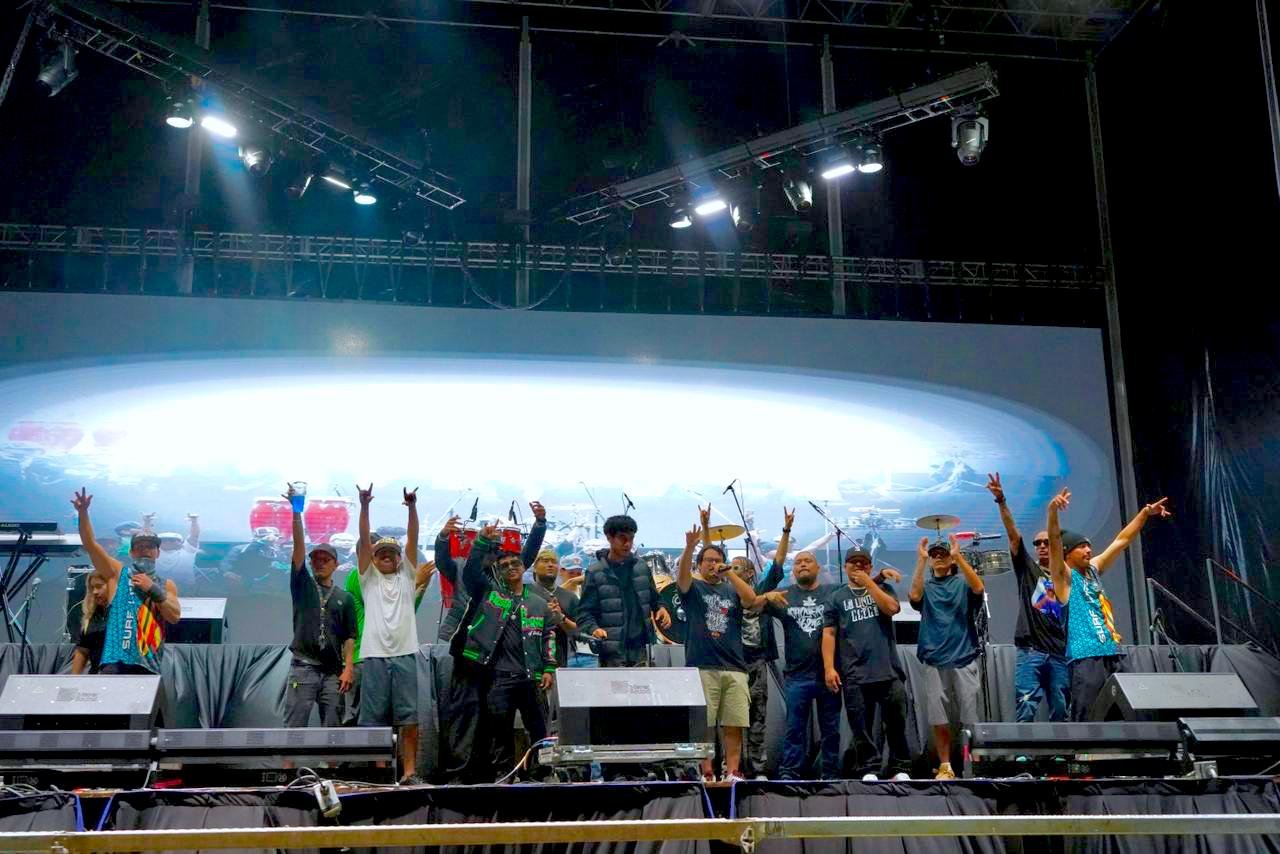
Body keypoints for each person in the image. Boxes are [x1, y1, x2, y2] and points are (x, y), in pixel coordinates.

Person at [446, 521, 557, 783]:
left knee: (539, 730)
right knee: (499, 731)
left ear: (523, 567)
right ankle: (504, 776)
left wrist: (549, 668)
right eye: (504, 565)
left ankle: (541, 775)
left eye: (515, 563)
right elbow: (471, 572)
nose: (510, 567)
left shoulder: (539, 603)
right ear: (498, 570)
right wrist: (481, 542)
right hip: (499, 677)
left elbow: (549, 636)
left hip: (532, 677)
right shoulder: (490, 593)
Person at [1047, 488, 1171, 721]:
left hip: (1113, 651)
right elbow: (1054, 543)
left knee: (1132, 712)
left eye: (1089, 546)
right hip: (1086, 657)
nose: (1088, 550)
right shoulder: (1064, 579)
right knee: (1088, 718)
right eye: (1081, 547)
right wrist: (1052, 511)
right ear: (1067, 554)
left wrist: (1145, 513)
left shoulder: (1093, 570)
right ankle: (1085, 746)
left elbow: (1122, 540)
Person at [355, 484, 434, 784]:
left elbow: (413, 537)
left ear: (400, 558)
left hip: (404, 654)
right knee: (374, 722)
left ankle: (409, 773)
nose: (386, 556)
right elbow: (364, 539)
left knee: (409, 719)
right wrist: (365, 506)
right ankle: (379, 774)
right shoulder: (368, 579)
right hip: (374, 656)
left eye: (392, 553)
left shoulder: (407, 576)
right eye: (381, 553)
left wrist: (412, 507)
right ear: (373, 559)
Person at [707, 505, 793, 780]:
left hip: (757, 660)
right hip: (733, 662)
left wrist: (786, 530)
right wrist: (706, 530)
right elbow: (709, 562)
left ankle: (757, 769)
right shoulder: (724, 593)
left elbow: (778, 563)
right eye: (730, 567)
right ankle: (728, 768)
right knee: (728, 720)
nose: (731, 571)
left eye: (737, 568)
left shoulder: (760, 590)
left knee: (757, 716)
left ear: (750, 574)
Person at [676, 522, 761, 782]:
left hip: (734, 666)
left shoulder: (731, 588)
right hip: (703, 665)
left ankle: (732, 771)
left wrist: (730, 573)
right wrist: (689, 547)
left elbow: (751, 599)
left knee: (734, 723)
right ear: (700, 565)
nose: (713, 564)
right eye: (709, 561)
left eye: (717, 560)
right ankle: (707, 772)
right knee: (704, 723)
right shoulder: (694, 588)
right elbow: (682, 578)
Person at [822, 546, 912, 781]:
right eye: (853, 562)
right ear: (845, 567)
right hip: (854, 672)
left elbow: (892, 608)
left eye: (863, 562)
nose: (858, 566)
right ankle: (868, 769)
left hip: (889, 669)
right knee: (860, 726)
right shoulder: (836, 597)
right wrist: (829, 668)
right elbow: (829, 633)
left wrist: (870, 583)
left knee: (897, 723)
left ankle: (900, 768)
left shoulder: (884, 588)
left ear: (870, 567)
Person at [72, 488, 182, 675]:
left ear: (158, 553)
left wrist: (152, 588)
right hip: (114, 663)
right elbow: (91, 545)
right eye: (139, 547)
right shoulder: (118, 574)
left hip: (148, 665)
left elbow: (174, 616)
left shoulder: (166, 584)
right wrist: (83, 513)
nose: (145, 550)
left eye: (150, 547)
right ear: (131, 552)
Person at [986, 473, 1068, 722]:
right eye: (1037, 543)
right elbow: (1014, 536)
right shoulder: (1028, 568)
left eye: (1046, 542)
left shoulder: (1068, 577)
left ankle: (1061, 748)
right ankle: (1024, 749)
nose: (1041, 546)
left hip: (1060, 652)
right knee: (1026, 707)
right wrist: (1001, 500)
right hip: (1030, 650)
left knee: (1061, 710)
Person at [760, 550, 842, 779]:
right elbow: (751, 601)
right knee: (794, 729)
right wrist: (767, 596)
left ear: (818, 568)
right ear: (793, 570)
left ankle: (830, 775)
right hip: (796, 675)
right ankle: (789, 773)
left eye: (808, 561)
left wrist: (879, 577)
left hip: (828, 674)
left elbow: (857, 589)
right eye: (798, 562)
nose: (802, 565)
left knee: (831, 730)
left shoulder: (833, 592)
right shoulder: (784, 594)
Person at [909, 533, 984, 780]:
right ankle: (945, 766)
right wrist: (921, 560)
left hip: (964, 656)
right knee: (938, 717)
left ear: (951, 559)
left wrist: (958, 557)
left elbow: (978, 588)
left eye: (943, 554)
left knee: (970, 717)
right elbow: (914, 597)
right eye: (934, 555)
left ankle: (972, 765)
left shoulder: (962, 583)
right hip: (934, 658)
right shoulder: (927, 587)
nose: (938, 557)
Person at [285, 484, 358, 727]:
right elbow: (298, 548)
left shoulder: (345, 597)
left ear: (336, 565)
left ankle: (331, 758)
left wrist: (348, 668)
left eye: (326, 560)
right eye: (316, 560)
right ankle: (288, 757)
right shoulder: (303, 585)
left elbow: (350, 637)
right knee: (294, 727)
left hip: (333, 672)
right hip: (303, 667)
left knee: (333, 730)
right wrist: (296, 512)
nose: (320, 563)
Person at [435, 505, 548, 643]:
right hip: (454, 633)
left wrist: (540, 524)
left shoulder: (504, 571)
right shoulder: (460, 566)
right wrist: (443, 536)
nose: (491, 553)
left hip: (487, 639)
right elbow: (441, 561)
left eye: (495, 549)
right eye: (487, 547)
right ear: (479, 545)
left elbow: (527, 555)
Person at [576, 515, 672, 667]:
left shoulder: (641, 567)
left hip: (642, 648)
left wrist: (661, 608)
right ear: (609, 537)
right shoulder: (595, 572)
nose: (628, 544)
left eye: (631, 538)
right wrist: (594, 629)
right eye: (622, 538)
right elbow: (584, 613)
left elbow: (655, 598)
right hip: (611, 652)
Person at [70, 570, 112, 675]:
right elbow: (82, 651)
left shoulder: (123, 614)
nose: (95, 592)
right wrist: (73, 679)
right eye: (92, 588)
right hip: (96, 675)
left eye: (99, 586)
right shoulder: (91, 617)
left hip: (120, 676)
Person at [155, 514, 200, 589]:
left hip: (186, 588)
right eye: (164, 540)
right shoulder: (153, 552)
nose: (168, 542)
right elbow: (144, 538)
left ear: (181, 542)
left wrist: (194, 521)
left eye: (172, 540)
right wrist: (147, 522)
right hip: (158, 588)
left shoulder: (187, 550)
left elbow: (194, 536)